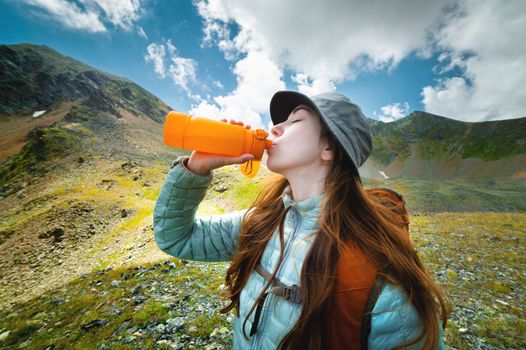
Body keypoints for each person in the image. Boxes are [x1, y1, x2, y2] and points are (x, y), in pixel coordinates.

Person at [153, 90, 450, 349]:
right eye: (280, 122)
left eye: (295, 121)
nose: (275, 128)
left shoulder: (383, 289)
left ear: (329, 149)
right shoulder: (260, 223)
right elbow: (176, 237)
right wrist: (197, 167)